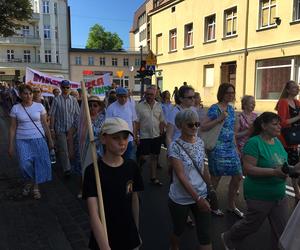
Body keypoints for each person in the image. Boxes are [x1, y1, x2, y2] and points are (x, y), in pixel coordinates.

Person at [221, 112, 291, 250]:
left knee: (281, 231)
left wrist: (293, 169)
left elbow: (283, 165)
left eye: (279, 124)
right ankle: (228, 237)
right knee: (251, 225)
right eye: (275, 124)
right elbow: (247, 169)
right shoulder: (254, 143)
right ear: (264, 126)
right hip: (259, 196)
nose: (279, 127)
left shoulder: (277, 142)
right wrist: (274, 172)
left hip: (279, 196)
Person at [82, 117, 144, 250]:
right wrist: (104, 246)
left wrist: (136, 232)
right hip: (104, 237)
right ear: (104, 139)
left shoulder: (132, 167)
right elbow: (93, 214)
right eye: (116, 138)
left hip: (129, 235)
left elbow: (134, 200)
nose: (122, 143)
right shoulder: (93, 171)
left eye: (125, 137)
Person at [168, 109, 212, 250]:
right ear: (180, 126)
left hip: (201, 193)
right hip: (180, 198)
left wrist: (209, 188)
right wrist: (198, 199)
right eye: (190, 125)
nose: (195, 127)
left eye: (197, 124)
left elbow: (203, 168)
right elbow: (181, 176)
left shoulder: (200, 142)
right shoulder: (174, 146)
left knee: (205, 236)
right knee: (178, 230)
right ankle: (174, 246)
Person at [201, 83, 243, 218]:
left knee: (237, 176)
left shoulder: (231, 109)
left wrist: (236, 148)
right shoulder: (215, 108)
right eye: (228, 93)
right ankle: (211, 204)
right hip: (217, 147)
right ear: (222, 94)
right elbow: (203, 126)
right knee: (216, 177)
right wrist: (218, 119)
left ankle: (231, 205)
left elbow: (232, 131)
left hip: (230, 146)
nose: (231, 95)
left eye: (233, 93)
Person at [8, 84, 53, 199]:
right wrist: (10, 145)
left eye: (30, 93)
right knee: (24, 165)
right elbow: (13, 127)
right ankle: (29, 181)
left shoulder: (39, 106)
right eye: (25, 93)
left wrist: (50, 140)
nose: (28, 96)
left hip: (38, 138)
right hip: (22, 140)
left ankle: (35, 187)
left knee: (39, 163)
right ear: (20, 95)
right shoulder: (16, 108)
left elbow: (45, 124)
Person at [49, 80, 80, 177]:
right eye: (64, 87)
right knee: (63, 150)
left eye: (67, 87)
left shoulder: (73, 100)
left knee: (72, 150)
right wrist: (52, 129)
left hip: (72, 129)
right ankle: (67, 169)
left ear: (70, 87)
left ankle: (72, 166)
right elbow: (52, 115)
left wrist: (76, 127)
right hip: (60, 128)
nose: (66, 89)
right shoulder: (56, 99)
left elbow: (77, 114)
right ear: (61, 88)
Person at [276, 80, 300, 203]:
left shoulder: (297, 102)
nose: (297, 89)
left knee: (295, 169)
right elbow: (282, 122)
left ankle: (296, 192)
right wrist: (297, 117)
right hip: (285, 140)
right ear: (287, 90)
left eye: (298, 87)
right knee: (284, 168)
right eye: (294, 87)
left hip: (295, 140)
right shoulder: (283, 102)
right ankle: (279, 192)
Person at [135, 86, 165, 186]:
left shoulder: (159, 106)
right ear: (145, 94)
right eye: (147, 94)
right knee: (144, 157)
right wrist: (137, 136)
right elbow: (136, 122)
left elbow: (161, 120)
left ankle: (153, 177)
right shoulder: (139, 106)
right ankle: (138, 167)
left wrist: (161, 133)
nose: (149, 96)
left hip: (156, 136)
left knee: (154, 157)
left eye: (151, 94)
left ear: (155, 95)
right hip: (144, 136)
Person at [106, 87, 137, 160]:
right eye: (121, 96)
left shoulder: (130, 106)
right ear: (117, 96)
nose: (123, 99)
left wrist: (135, 136)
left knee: (129, 160)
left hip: (129, 139)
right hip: (116, 140)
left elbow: (134, 122)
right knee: (117, 160)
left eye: (125, 96)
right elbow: (108, 125)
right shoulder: (111, 108)